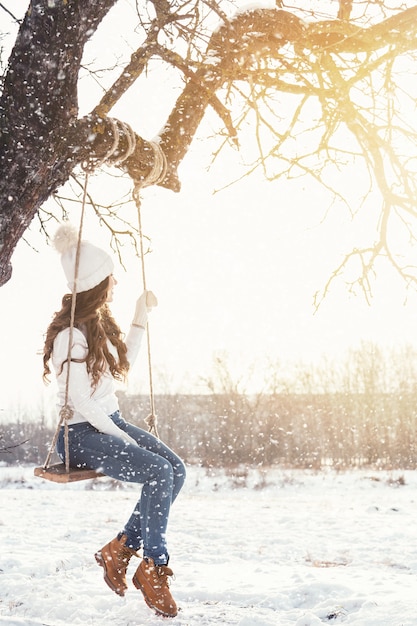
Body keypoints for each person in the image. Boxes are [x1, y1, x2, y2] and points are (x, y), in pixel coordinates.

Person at [42, 223, 186, 618]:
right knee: (158, 471)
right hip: (80, 434)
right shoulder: (69, 335)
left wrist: (140, 316)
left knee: (175, 469)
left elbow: (123, 367)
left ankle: (120, 548)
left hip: (108, 422)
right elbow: (81, 401)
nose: (115, 281)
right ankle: (153, 568)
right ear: (95, 283)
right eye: (109, 277)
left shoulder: (97, 327)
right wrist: (122, 438)